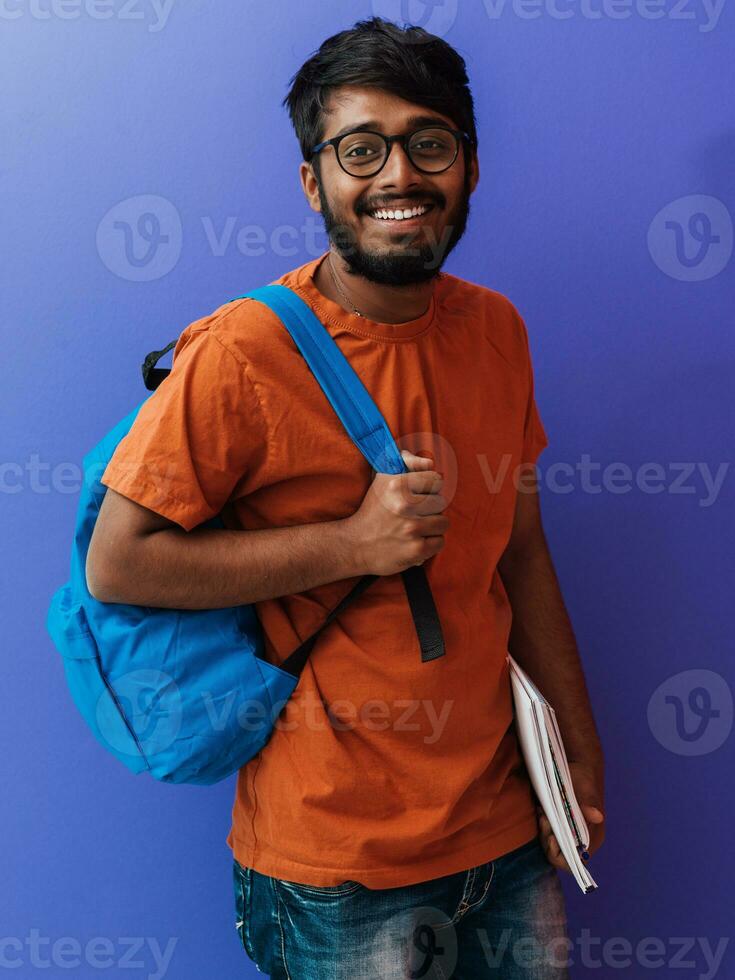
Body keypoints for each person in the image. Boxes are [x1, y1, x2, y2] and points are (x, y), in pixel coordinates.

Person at [86, 15, 605, 979]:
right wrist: (353, 545)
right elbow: (119, 563)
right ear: (312, 181)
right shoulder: (243, 351)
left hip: (502, 825)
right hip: (335, 864)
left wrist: (573, 749)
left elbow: (522, 550)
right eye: (359, 150)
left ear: (470, 168)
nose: (398, 176)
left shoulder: (496, 329)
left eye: (428, 144)